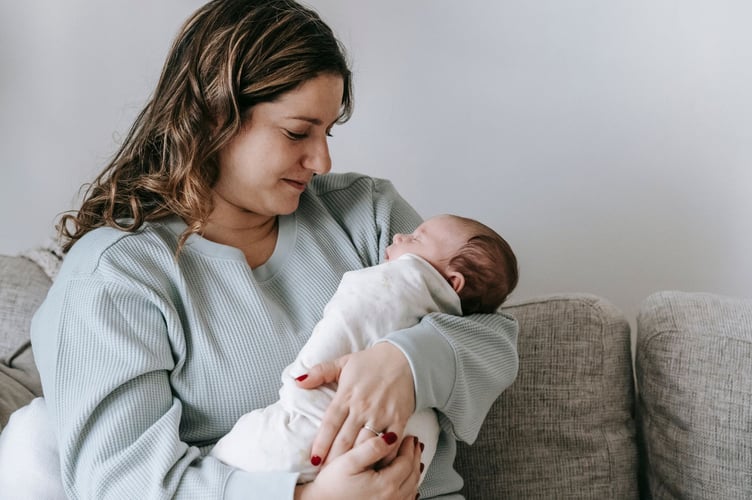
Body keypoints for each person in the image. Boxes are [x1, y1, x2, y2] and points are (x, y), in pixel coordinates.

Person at [0, 1, 519, 499]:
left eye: (328, 131)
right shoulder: (117, 275)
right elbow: (122, 482)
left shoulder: (366, 214)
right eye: (298, 133)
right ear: (212, 119)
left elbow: (494, 337)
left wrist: (406, 364)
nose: (321, 159)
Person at [210, 214, 519, 485]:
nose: (399, 236)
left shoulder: (378, 224)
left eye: (414, 238)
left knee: (240, 448)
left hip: (387, 474)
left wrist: (404, 360)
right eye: (296, 141)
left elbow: (500, 339)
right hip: (320, 476)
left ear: (453, 283)